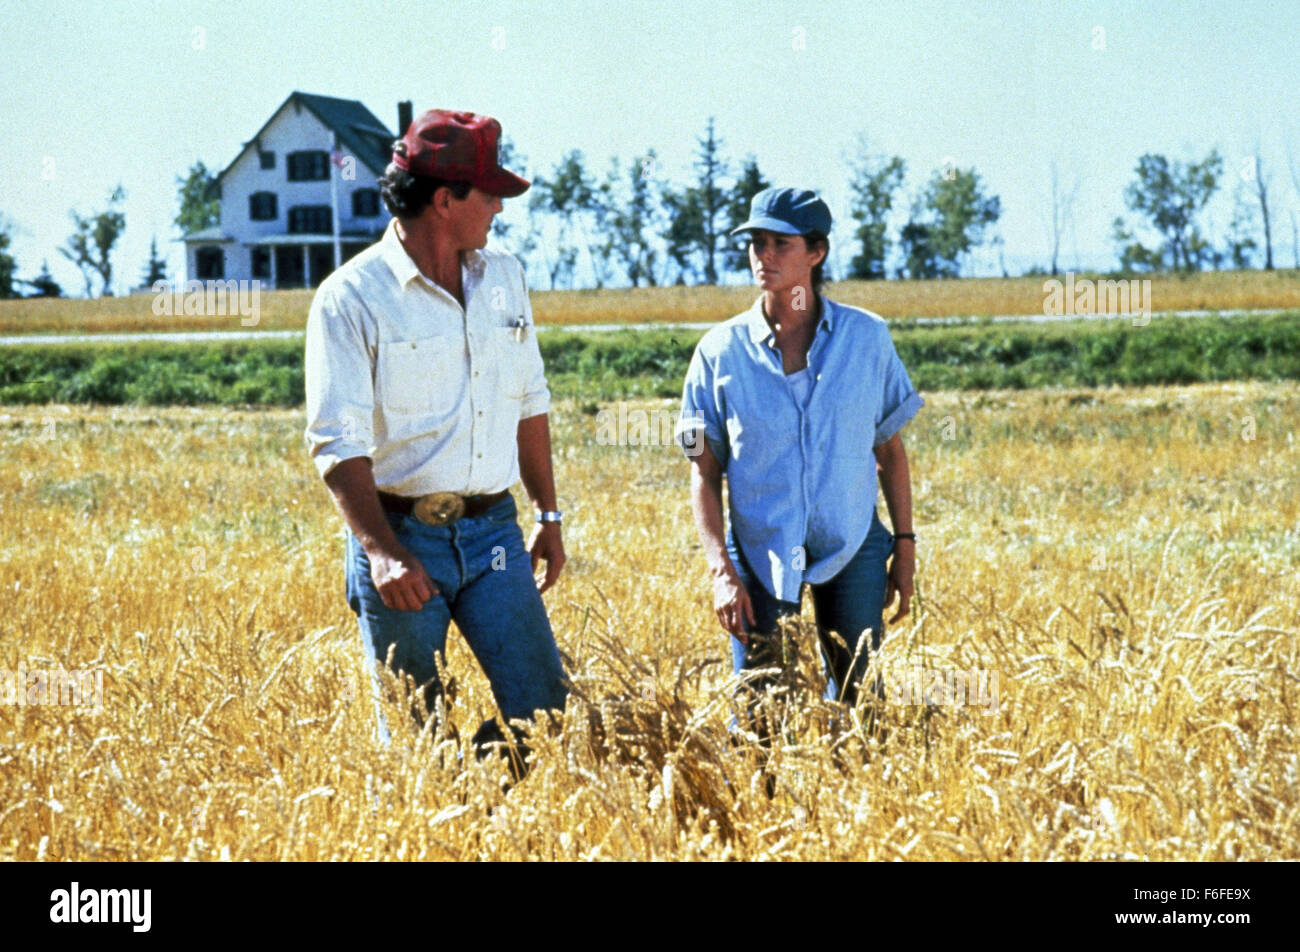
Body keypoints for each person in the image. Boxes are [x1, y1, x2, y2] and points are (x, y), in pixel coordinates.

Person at [304, 109, 568, 774]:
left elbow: (530, 399)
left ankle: (498, 817)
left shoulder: (503, 276)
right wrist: (382, 553)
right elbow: (338, 443)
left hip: (494, 538)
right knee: (417, 744)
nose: (499, 211)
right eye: (490, 196)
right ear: (445, 200)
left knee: (548, 721)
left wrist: (548, 514)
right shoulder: (350, 299)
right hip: (402, 540)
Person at [676, 186, 923, 724]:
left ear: (816, 253)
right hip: (760, 551)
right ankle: (766, 800)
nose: (763, 256)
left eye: (779, 244)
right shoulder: (718, 353)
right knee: (762, 710)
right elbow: (703, 472)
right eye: (756, 243)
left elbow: (891, 451)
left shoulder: (867, 339)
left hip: (852, 541)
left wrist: (904, 546)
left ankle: (857, 801)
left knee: (862, 707)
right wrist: (721, 570)